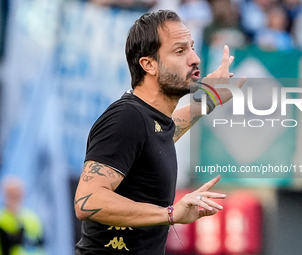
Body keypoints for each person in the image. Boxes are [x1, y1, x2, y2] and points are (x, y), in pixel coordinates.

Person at [74, 10, 246, 255]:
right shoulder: (126, 118)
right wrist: (171, 214)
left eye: (192, 48)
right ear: (149, 65)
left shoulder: (150, 120)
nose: (195, 58)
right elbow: (87, 200)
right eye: (180, 51)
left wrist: (209, 98)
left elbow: (164, 134)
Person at [0, 176, 45, 255]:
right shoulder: (2, 219)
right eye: (11, 195)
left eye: (17, 195)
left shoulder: (32, 218)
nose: (14, 199)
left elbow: (40, 246)